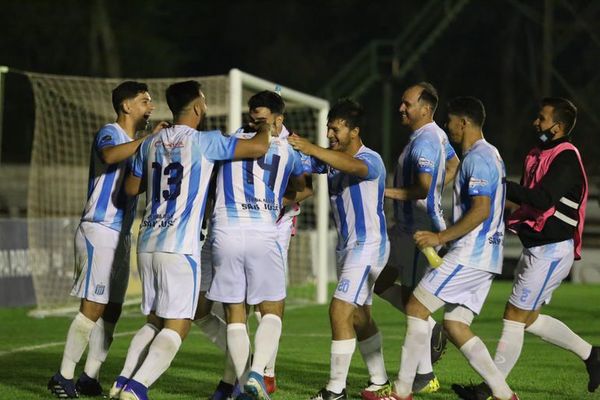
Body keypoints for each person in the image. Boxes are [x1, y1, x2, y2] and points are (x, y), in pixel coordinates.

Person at [109, 80, 271, 400]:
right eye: (204, 99)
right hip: (180, 244)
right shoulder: (205, 142)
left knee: (154, 319)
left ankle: (120, 382)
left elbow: (130, 189)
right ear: (197, 107)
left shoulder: (149, 143)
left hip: (148, 241)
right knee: (178, 325)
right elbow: (259, 147)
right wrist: (265, 127)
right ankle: (137, 389)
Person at [371, 96, 519, 400]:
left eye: (450, 120)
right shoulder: (492, 154)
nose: (447, 126)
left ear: (463, 123)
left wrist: (440, 238)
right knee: (455, 324)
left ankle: (401, 390)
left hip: (470, 255)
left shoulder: (478, 157)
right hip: (488, 257)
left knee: (415, 306)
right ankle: (505, 395)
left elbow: (480, 209)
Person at [452, 97, 600, 400]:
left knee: (513, 315)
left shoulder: (566, 158)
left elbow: (543, 199)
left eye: (542, 119)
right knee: (528, 318)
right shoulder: (539, 153)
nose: (536, 123)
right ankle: (592, 355)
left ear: (557, 127)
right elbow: (529, 199)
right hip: (537, 248)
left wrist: (499, 184)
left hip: (551, 250)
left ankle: (491, 390)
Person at [48, 81, 164, 398]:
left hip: (122, 234)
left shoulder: (137, 144)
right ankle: (63, 376)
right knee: (93, 305)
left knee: (111, 309)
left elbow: (132, 185)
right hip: (98, 228)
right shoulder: (111, 132)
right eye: (144, 101)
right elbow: (110, 155)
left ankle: (89, 376)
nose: (150, 107)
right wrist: (148, 140)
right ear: (126, 106)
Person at [200, 90, 312, 400]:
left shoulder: (225, 142)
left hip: (225, 232)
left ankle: (240, 383)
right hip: (264, 231)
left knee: (236, 314)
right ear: (277, 120)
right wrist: (278, 201)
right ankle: (258, 372)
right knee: (272, 309)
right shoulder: (288, 151)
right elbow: (303, 188)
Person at [288, 98, 390, 400]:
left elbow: (354, 167)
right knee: (359, 317)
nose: (330, 134)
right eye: (328, 129)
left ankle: (335, 390)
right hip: (347, 247)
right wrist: (286, 140)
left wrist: (312, 149)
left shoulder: (371, 159)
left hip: (367, 246)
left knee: (339, 309)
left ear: (354, 131)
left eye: (335, 129)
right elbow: (302, 163)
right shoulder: (330, 160)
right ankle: (379, 378)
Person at [374, 82, 459, 393]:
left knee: (413, 303)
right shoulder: (436, 134)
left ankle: (423, 376)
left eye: (406, 103)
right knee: (380, 283)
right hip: (408, 231)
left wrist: (382, 192)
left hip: (417, 232)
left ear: (425, 109)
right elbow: (453, 164)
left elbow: (422, 188)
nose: (401, 108)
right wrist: (438, 186)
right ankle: (432, 331)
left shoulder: (424, 141)